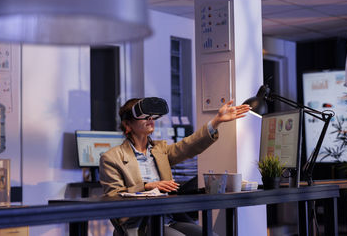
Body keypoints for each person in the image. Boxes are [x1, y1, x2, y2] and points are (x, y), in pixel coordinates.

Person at [99, 98, 249, 236]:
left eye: (152, 115)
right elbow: (113, 197)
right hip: (140, 225)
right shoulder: (112, 158)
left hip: (168, 218)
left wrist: (217, 121)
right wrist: (146, 186)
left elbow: (188, 146)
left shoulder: (160, 150)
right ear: (127, 124)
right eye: (144, 115)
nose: (150, 118)